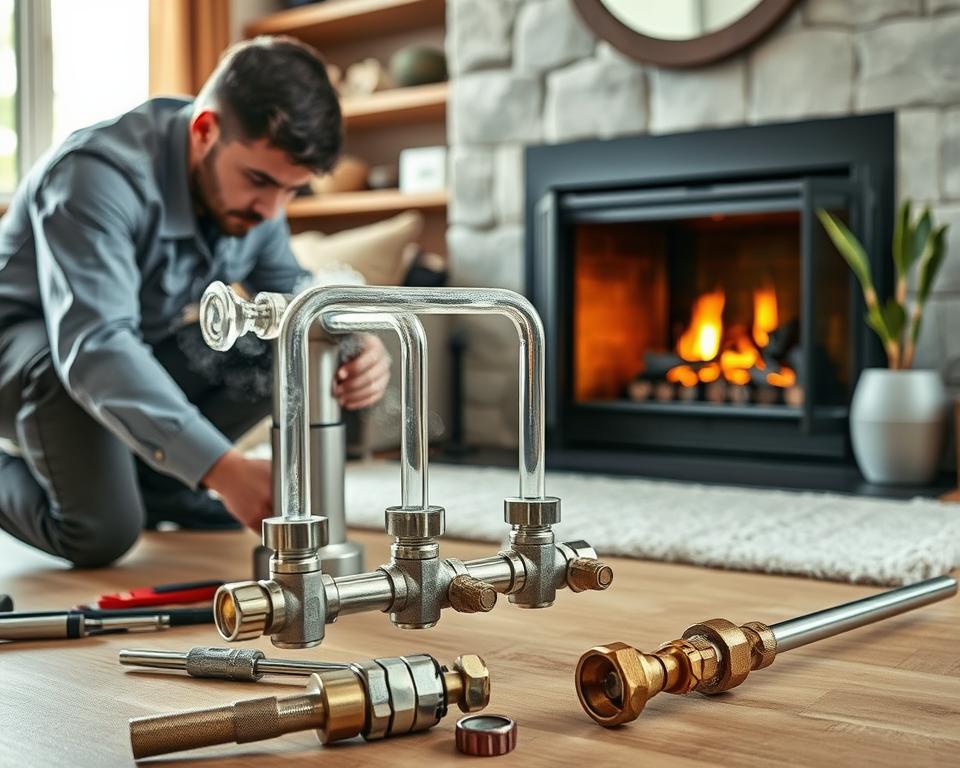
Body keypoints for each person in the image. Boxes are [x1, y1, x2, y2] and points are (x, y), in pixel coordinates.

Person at [0, 36, 391, 567]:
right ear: (204, 130)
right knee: (101, 533)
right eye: (259, 181)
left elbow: (293, 298)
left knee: (285, 343)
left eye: (291, 192)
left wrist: (356, 341)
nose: (271, 210)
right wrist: (224, 468)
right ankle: (155, 484)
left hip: (119, 345)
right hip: (33, 353)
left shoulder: (257, 205)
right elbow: (95, 348)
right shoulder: (94, 175)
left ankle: (163, 487)